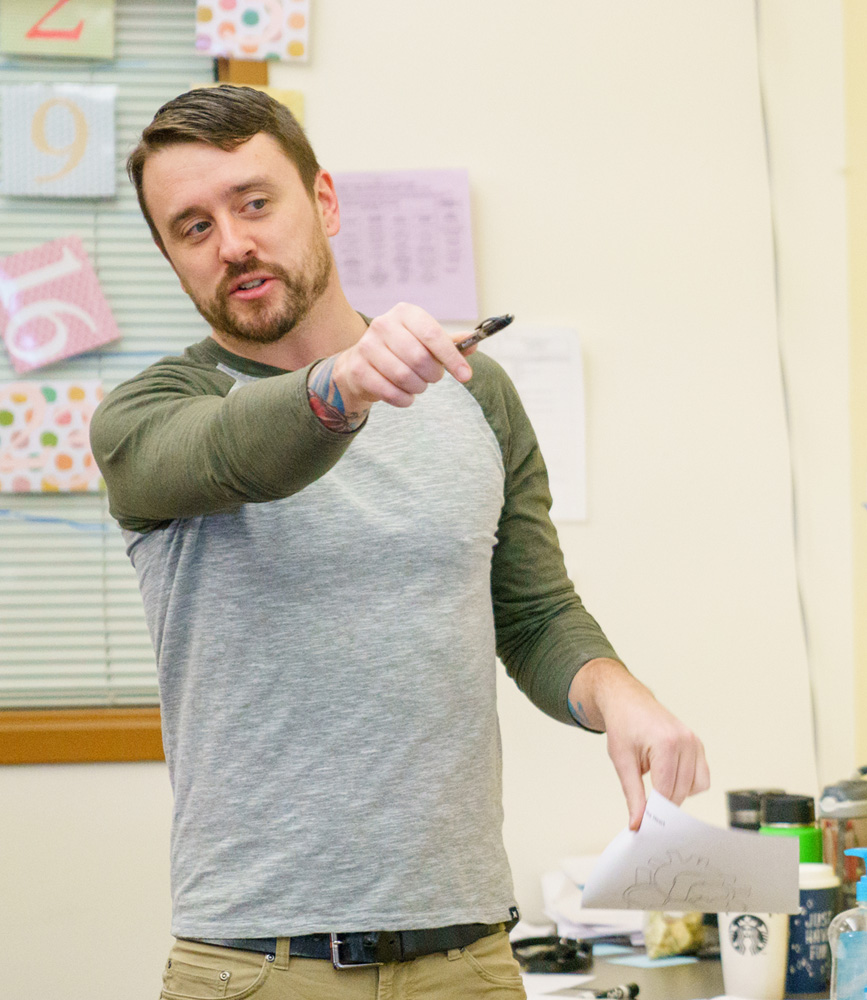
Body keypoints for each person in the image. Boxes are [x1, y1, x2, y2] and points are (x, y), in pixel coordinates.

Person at [90, 85, 709, 1000]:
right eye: (192, 227)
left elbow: (533, 615)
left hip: (471, 959)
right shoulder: (145, 421)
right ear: (171, 257)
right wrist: (341, 387)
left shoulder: (474, 393)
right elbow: (233, 453)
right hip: (257, 968)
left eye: (254, 203)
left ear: (324, 201)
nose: (232, 243)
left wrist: (622, 697)